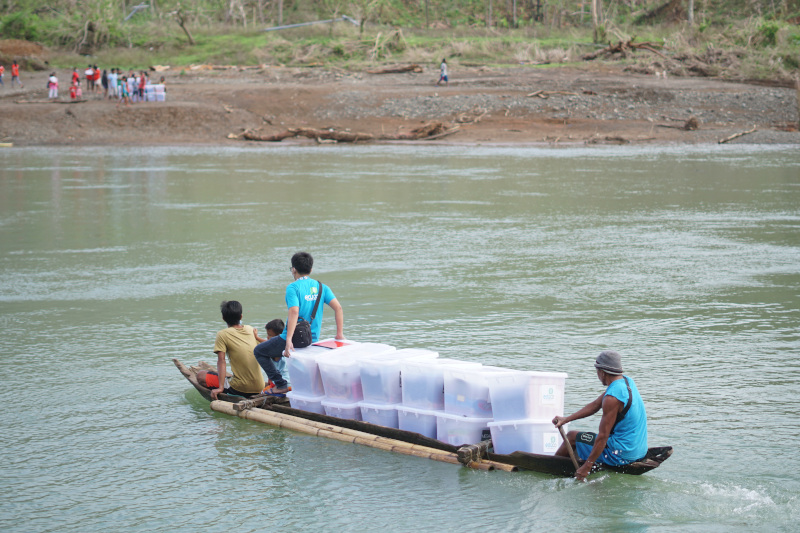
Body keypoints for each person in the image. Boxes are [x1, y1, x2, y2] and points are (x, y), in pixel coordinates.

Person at [254, 252, 345, 394]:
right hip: (312, 339)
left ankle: (281, 384)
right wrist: (339, 334)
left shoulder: (293, 287)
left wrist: (288, 340)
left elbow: (294, 312)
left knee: (259, 351)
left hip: (292, 338)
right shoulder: (321, 287)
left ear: (293, 269)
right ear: (311, 270)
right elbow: (338, 308)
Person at [552, 350, 647, 481]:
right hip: (638, 449)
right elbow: (595, 405)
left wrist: (587, 466)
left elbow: (603, 437)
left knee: (572, 436)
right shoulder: (626, 381)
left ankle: (552, 468)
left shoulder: (612, 398)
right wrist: (566, 419)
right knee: (582, 439)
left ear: (602, 372)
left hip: (621, 453)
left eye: (597, 371)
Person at [209, 300, 267, 399]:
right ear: (241, 317)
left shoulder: (222, 334)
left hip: (240, 388)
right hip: (259, 386)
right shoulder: (250, 329)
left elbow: (221, 361)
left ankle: (226, 387)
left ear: (223, 318)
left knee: (201, 376)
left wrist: (221, 387)